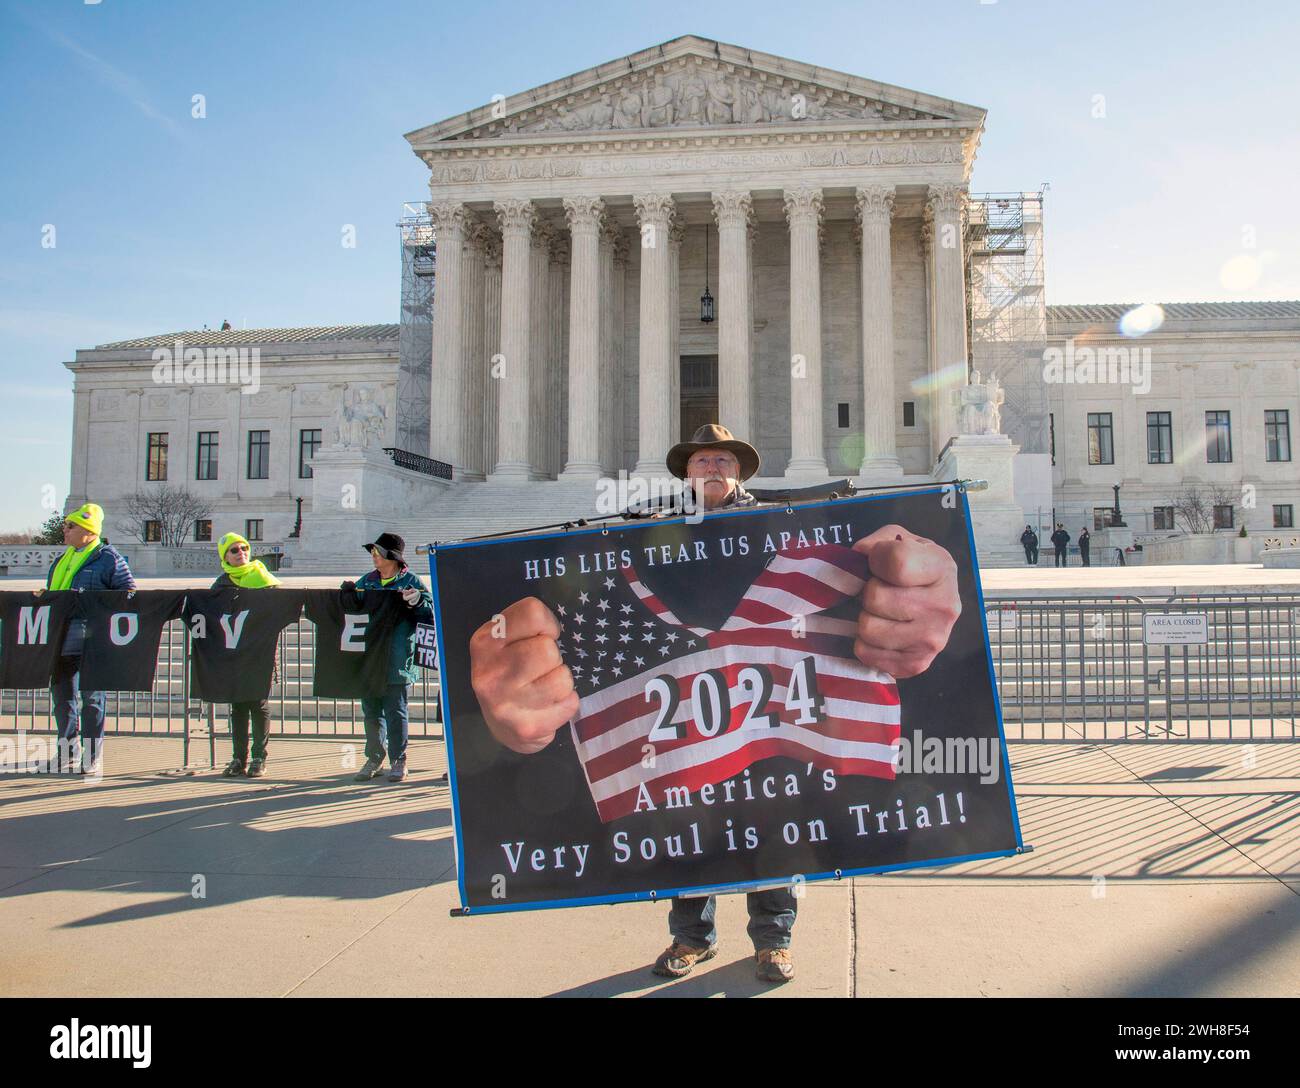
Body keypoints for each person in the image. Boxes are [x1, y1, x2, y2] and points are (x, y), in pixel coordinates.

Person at [468, 424, 963, 985]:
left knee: (776, 826)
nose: (712, 468)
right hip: (684, 712)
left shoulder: (778, 520)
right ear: (687, 470)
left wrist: (914, 561)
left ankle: (774, 940)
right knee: (685, 827)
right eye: (702, 460)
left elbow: (854, 545)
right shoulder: (652, 524)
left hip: (766, 711)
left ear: (740, 473)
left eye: (723, 461)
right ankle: (691, 937)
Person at [41, 503, 135, 774]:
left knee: (92, 697)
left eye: (71, 526)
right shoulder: (63, 559)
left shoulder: (108, 558)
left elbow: (128, 592)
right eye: (66, 525)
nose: (65, 530)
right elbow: (53, 592)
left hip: (92, 638)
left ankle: (92, 755)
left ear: (89, 531)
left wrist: (92, 602)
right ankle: (67, 750)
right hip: (60, 636)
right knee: (63, 696)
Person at [350, 532, 434, 783]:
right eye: (373, 552)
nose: (373, 556)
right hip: (370, 658)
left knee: (396, 711)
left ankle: (399, 759)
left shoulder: (411, 581)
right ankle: (375, 756)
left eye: (377, 551)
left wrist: (418, 601)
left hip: (398, 658)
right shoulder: (367, 581)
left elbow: (429, 613)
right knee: (371, 711)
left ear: (392, 557)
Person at [213, 532, 280, 778]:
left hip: (260, 650)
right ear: (225, 556)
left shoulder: (264, 577)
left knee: (258, 704)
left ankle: (259, 758)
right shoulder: (221, 584)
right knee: (238, 706)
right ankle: (237, 758)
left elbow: (279, 610)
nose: (240, 553)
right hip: (234, 651)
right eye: (234, 550)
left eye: (244, 548)